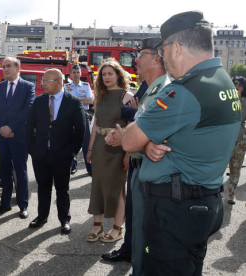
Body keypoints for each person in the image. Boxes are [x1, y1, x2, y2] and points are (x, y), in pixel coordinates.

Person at [122, 11, 241, 275]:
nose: (162, 57)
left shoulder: (184, 91)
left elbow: (130, 140)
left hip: (175, 211)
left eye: (162, 50)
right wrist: (149, 142)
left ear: (176, 48)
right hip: (204, 201)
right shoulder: (223, 82)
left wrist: (143, 139)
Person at [103, 37, 170, 275]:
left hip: (152, 170)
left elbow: (162, 134)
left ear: (157, 58)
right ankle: (133, 252)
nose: (136, 59)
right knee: (135, 214)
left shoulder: (166, 89)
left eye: (141, 54)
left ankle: (140, 259)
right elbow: (138, 124)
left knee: (146, 222)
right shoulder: (151, 87)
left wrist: (138, 142)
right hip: (139, 163)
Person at [26, 69, 85, 234]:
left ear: (59, 81)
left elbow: (80, 129)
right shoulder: (39, 101)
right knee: (43, 187)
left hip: (62, 154)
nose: (42, 84)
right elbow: (29, 126)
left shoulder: (73, 102)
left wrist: (73, 151)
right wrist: (31, 148)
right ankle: (42, 216)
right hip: (40, 154)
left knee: (62, 189)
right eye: (42, 81)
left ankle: (64, 220)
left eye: (46, 81)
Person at [85, 60, 133, 243]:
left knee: (117, 188)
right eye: (103, 74)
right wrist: (89, 148)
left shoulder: (127, 96)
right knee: (97, 185)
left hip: (118, 147)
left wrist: (128, 152)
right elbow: (95, 125)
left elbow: (131, 126)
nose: (106, 77)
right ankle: (97, 226)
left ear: (118, 75)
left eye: (110, 74)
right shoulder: (101, 95)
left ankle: (117, 228)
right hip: (99, 145)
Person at [0, 57, 35, 219]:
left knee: (20, 172)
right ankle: (5, 203)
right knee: (5, 172)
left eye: (8, 66)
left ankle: (23, 205)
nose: (5, 69)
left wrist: (11, 127)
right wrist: (3, 128)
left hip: (19, 137)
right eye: (3, 67)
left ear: (17, 67)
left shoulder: (28, 87)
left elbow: (28, 110)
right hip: (2, 137)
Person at [64, 64, 93, 175]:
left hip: (83, 115)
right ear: (70, 74)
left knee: (86, 142)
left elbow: (90, 101)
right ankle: (73, 166)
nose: (76, 75)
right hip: (70, 117)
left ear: (80, 74)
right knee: (71, 141)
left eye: (78, 72)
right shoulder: (66, 86)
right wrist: (81, 99)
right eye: (74, 73)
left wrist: (74, 101)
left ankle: (90, 168)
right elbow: (65, 102)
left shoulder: (85, 86)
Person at [227, 76, 246, 204]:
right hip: (226, 140)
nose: (237, 85)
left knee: (236, 167)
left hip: (239, 140)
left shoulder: (244, 101)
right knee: (228, 166)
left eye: (240, 83)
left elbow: (241, 116)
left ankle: (231, 193)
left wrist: (238, 99)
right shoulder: (225, 99)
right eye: (235, 83)